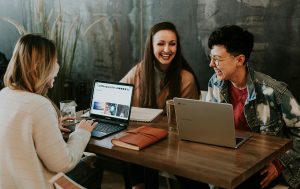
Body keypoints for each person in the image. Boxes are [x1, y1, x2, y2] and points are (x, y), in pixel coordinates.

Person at [0, 34, 102, 189]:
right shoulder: (39, 105)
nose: (58, 67)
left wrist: (52, 126)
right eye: (55, 61)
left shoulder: (4, 94)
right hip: (36, 184)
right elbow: (62, 163)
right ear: (41, 66)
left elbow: (22, 139)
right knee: (94, 163)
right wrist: (81, 132)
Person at [206, 25, 300, 189]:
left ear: (240, 60)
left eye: (217, 59)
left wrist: (279, 164)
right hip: (228, 164)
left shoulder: (273, 91)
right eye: (211, 57)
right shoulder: (215, 82)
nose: (211, 64)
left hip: (261, 168)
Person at [121, 22, 208, 189]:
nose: (167, 49)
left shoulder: (185, 79)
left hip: (174, 146)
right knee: (127, 149)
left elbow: (190, 125)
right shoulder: (139, 71)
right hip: (142, 139)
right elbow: (117, 97)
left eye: (172, 44)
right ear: (151, 46)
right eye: (161, 44)